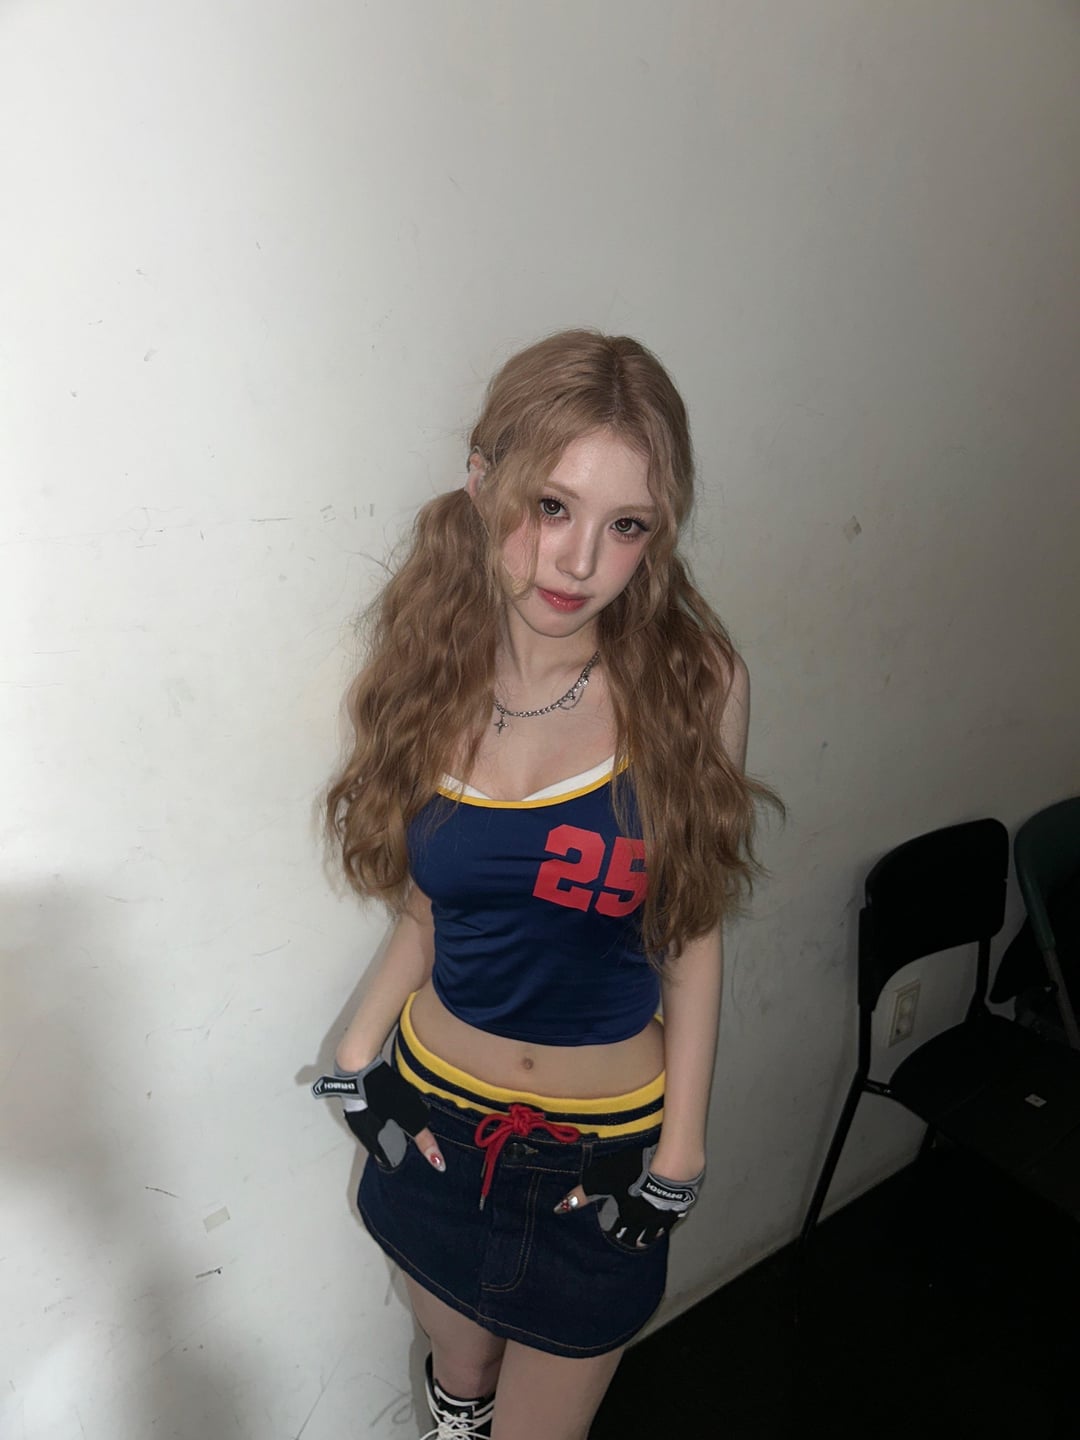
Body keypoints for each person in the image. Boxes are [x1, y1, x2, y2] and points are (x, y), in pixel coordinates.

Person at [316, 329, 779, 1440]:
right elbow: (427, 912)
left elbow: (692, 934)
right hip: (430, 1124)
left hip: (598, 1157)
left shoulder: (696, 687)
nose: (577, 563)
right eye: (551, 507)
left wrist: (681, 1153)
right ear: (483, 484)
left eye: (627, 527)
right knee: (458, 1383)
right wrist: (352, 1061)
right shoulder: (426, 673)